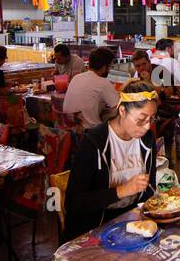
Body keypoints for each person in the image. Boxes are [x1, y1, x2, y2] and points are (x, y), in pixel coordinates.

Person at [64, 80, 160, 239]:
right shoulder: (94, 143)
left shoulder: (147, 140)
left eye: (152, 119)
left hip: (131, 220)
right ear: (122, 111)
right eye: (141, 119)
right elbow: (74, 203)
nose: (147, 126)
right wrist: (121, 191)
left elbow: (149, 188)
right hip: (95, 226)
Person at [62, 47, 121, 129]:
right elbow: (119, 107)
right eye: (110, 66)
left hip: (69, 131)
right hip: (89, 132)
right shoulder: (103, 83)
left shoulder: (76, 78)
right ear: (104, 67)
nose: (110, 69)